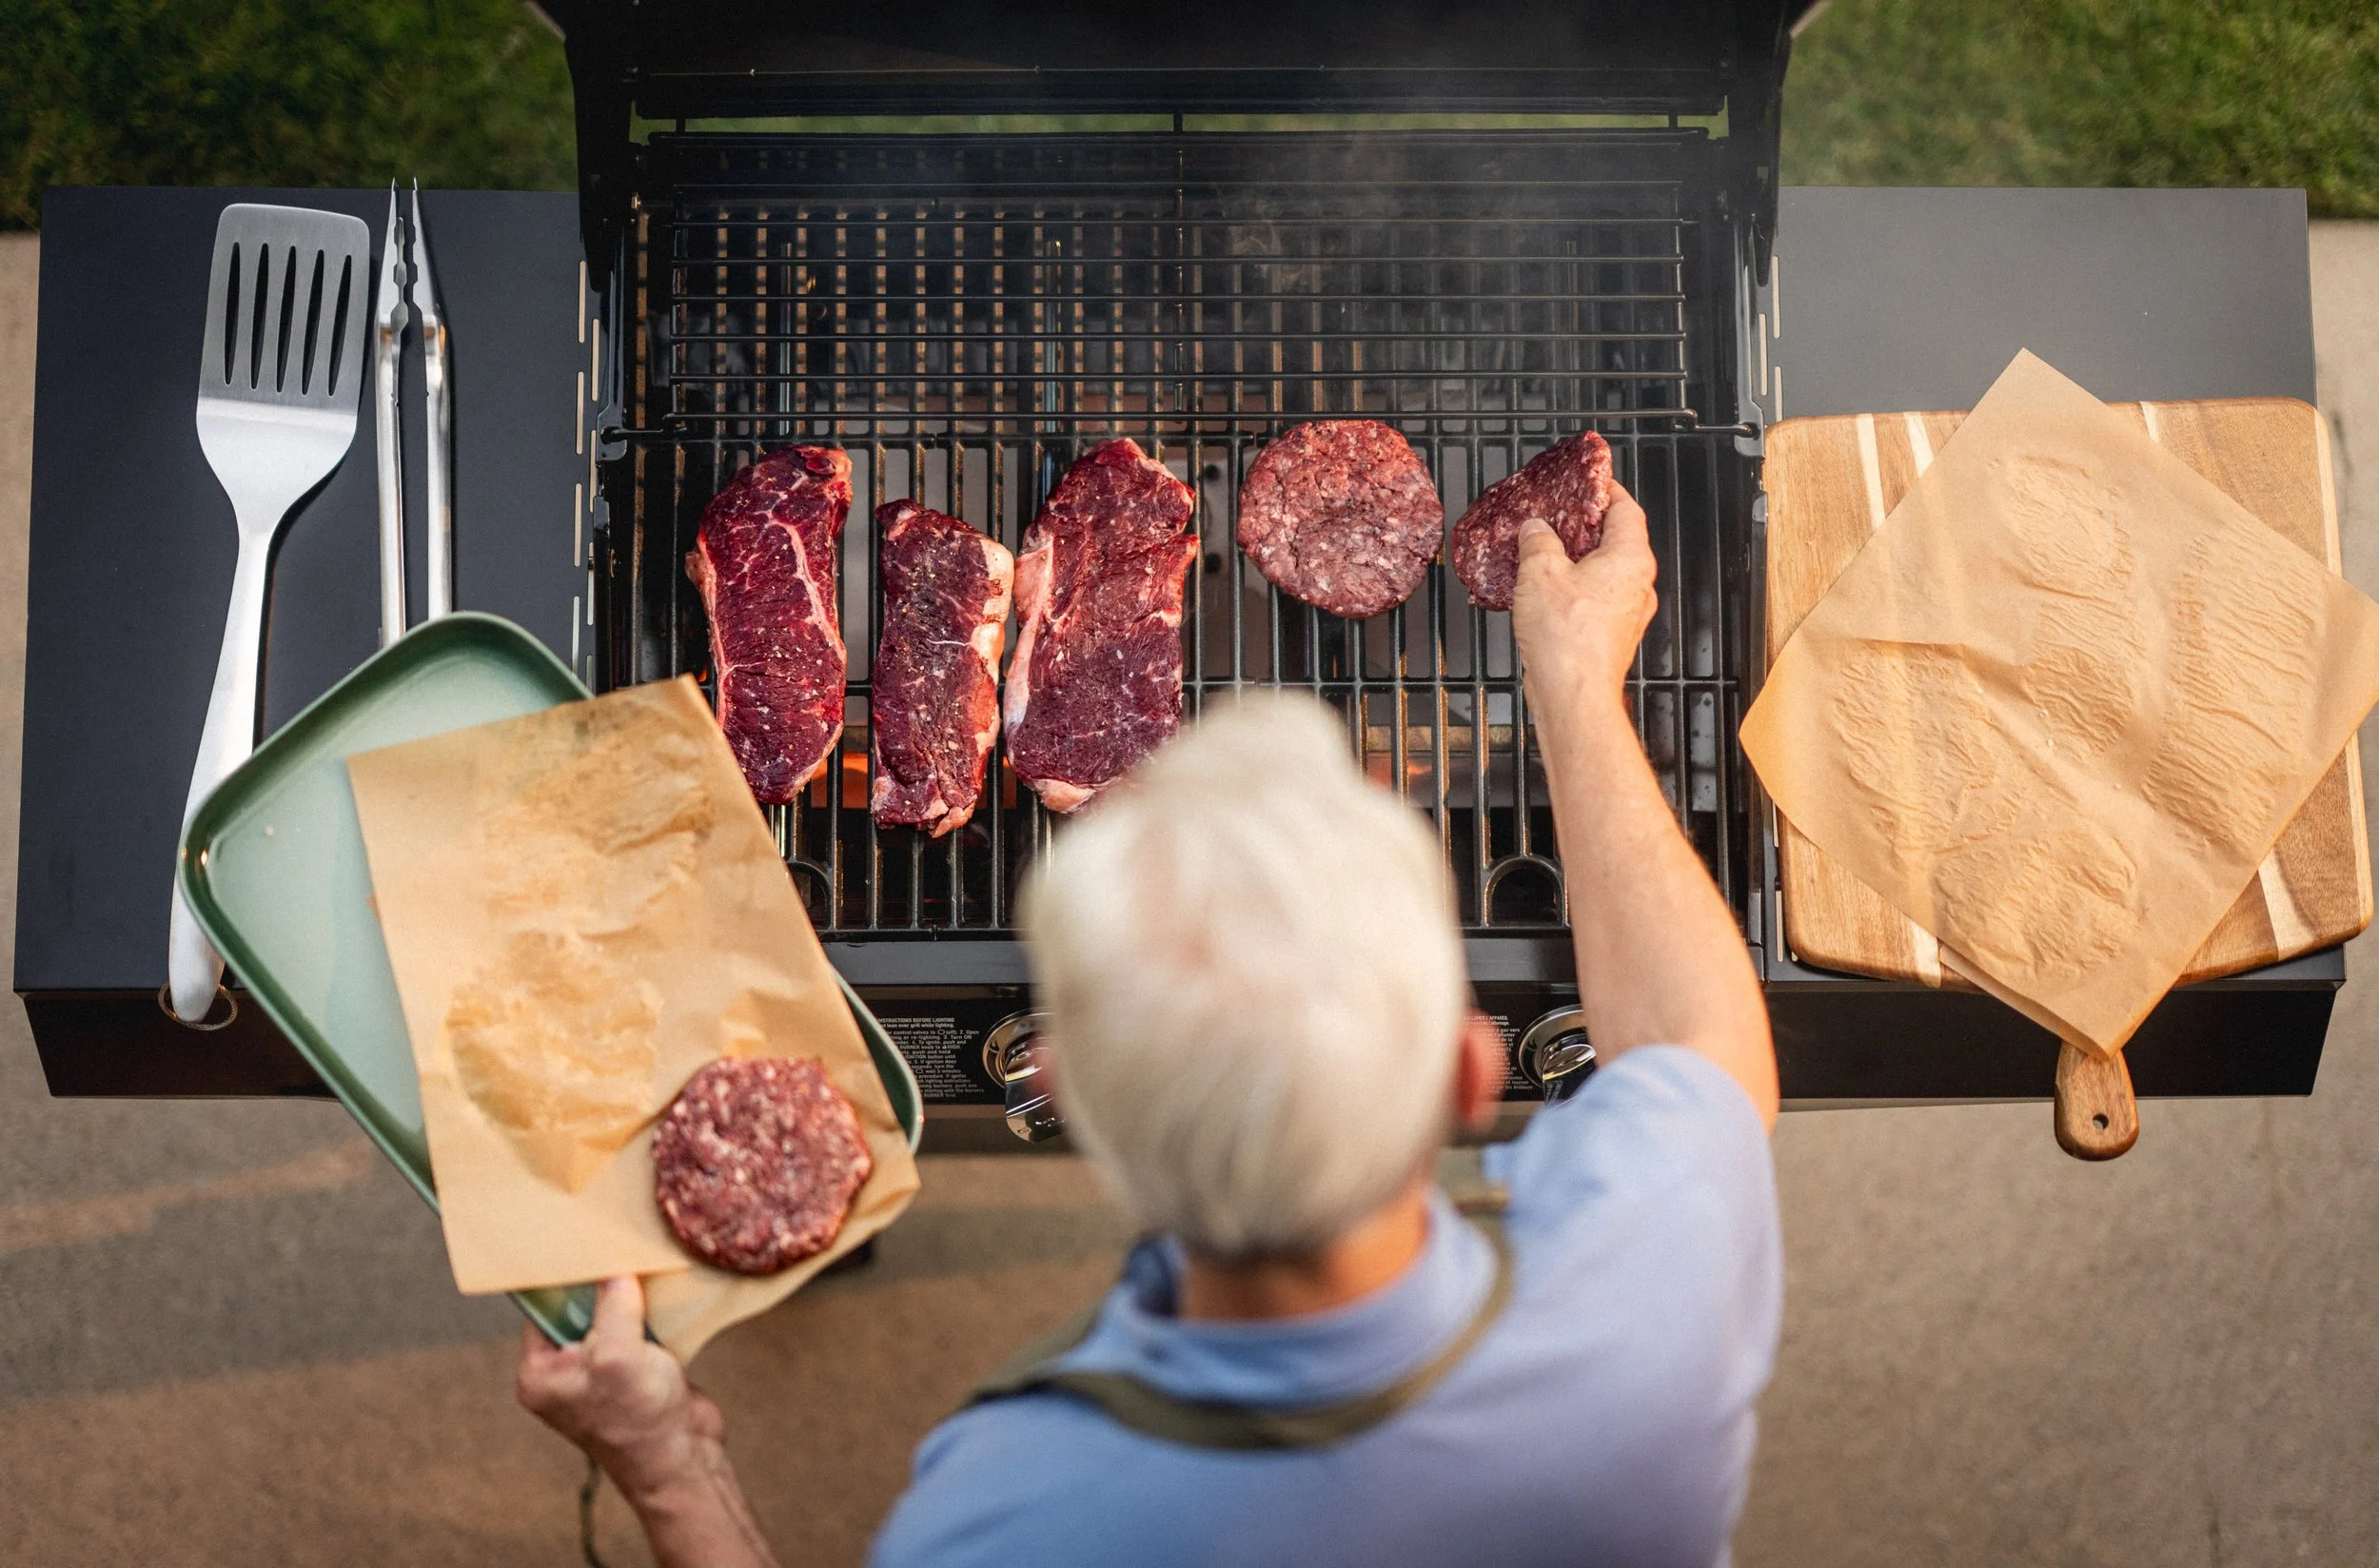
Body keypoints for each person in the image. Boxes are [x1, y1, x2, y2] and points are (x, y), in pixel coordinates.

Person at [519, 484, 1782, 1567]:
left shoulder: (1012, 1510)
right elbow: (1700, 1040)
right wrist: (1571, 674)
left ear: (1066, 1097)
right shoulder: (1650, 1297)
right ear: (1469, 1071)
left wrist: (669, 1466)